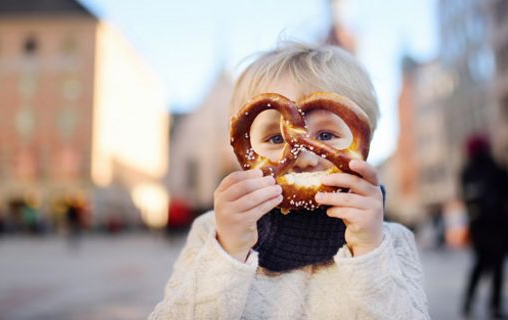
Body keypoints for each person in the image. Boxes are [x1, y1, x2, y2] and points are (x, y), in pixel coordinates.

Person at [150, 42, 429, 319]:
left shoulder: (390, 243)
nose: (306, 158)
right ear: (244, 147)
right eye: (275, 138)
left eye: (325, 136)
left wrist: (369, 251)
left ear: (362, 142)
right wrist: (229, 253)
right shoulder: (213, 233)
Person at [460, 134, 508, 319]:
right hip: (498, 225)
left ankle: (467, 303)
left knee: (479, 266)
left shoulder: (467, 171)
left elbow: (466, 199)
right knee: (498, 267)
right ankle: (495, 307)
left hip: (479, 227)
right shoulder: (497, 167)